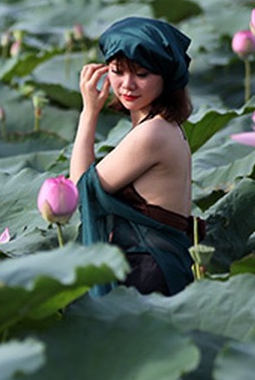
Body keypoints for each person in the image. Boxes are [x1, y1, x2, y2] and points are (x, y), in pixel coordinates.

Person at [69, 16, 199, 296]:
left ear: (166, 77)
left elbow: (80, 187)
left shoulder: (152, 134)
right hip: (159, 266)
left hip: (149, 272)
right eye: (117, 71)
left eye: (141, 74)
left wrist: (89, 112)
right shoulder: (165, 125)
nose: (127, 85)